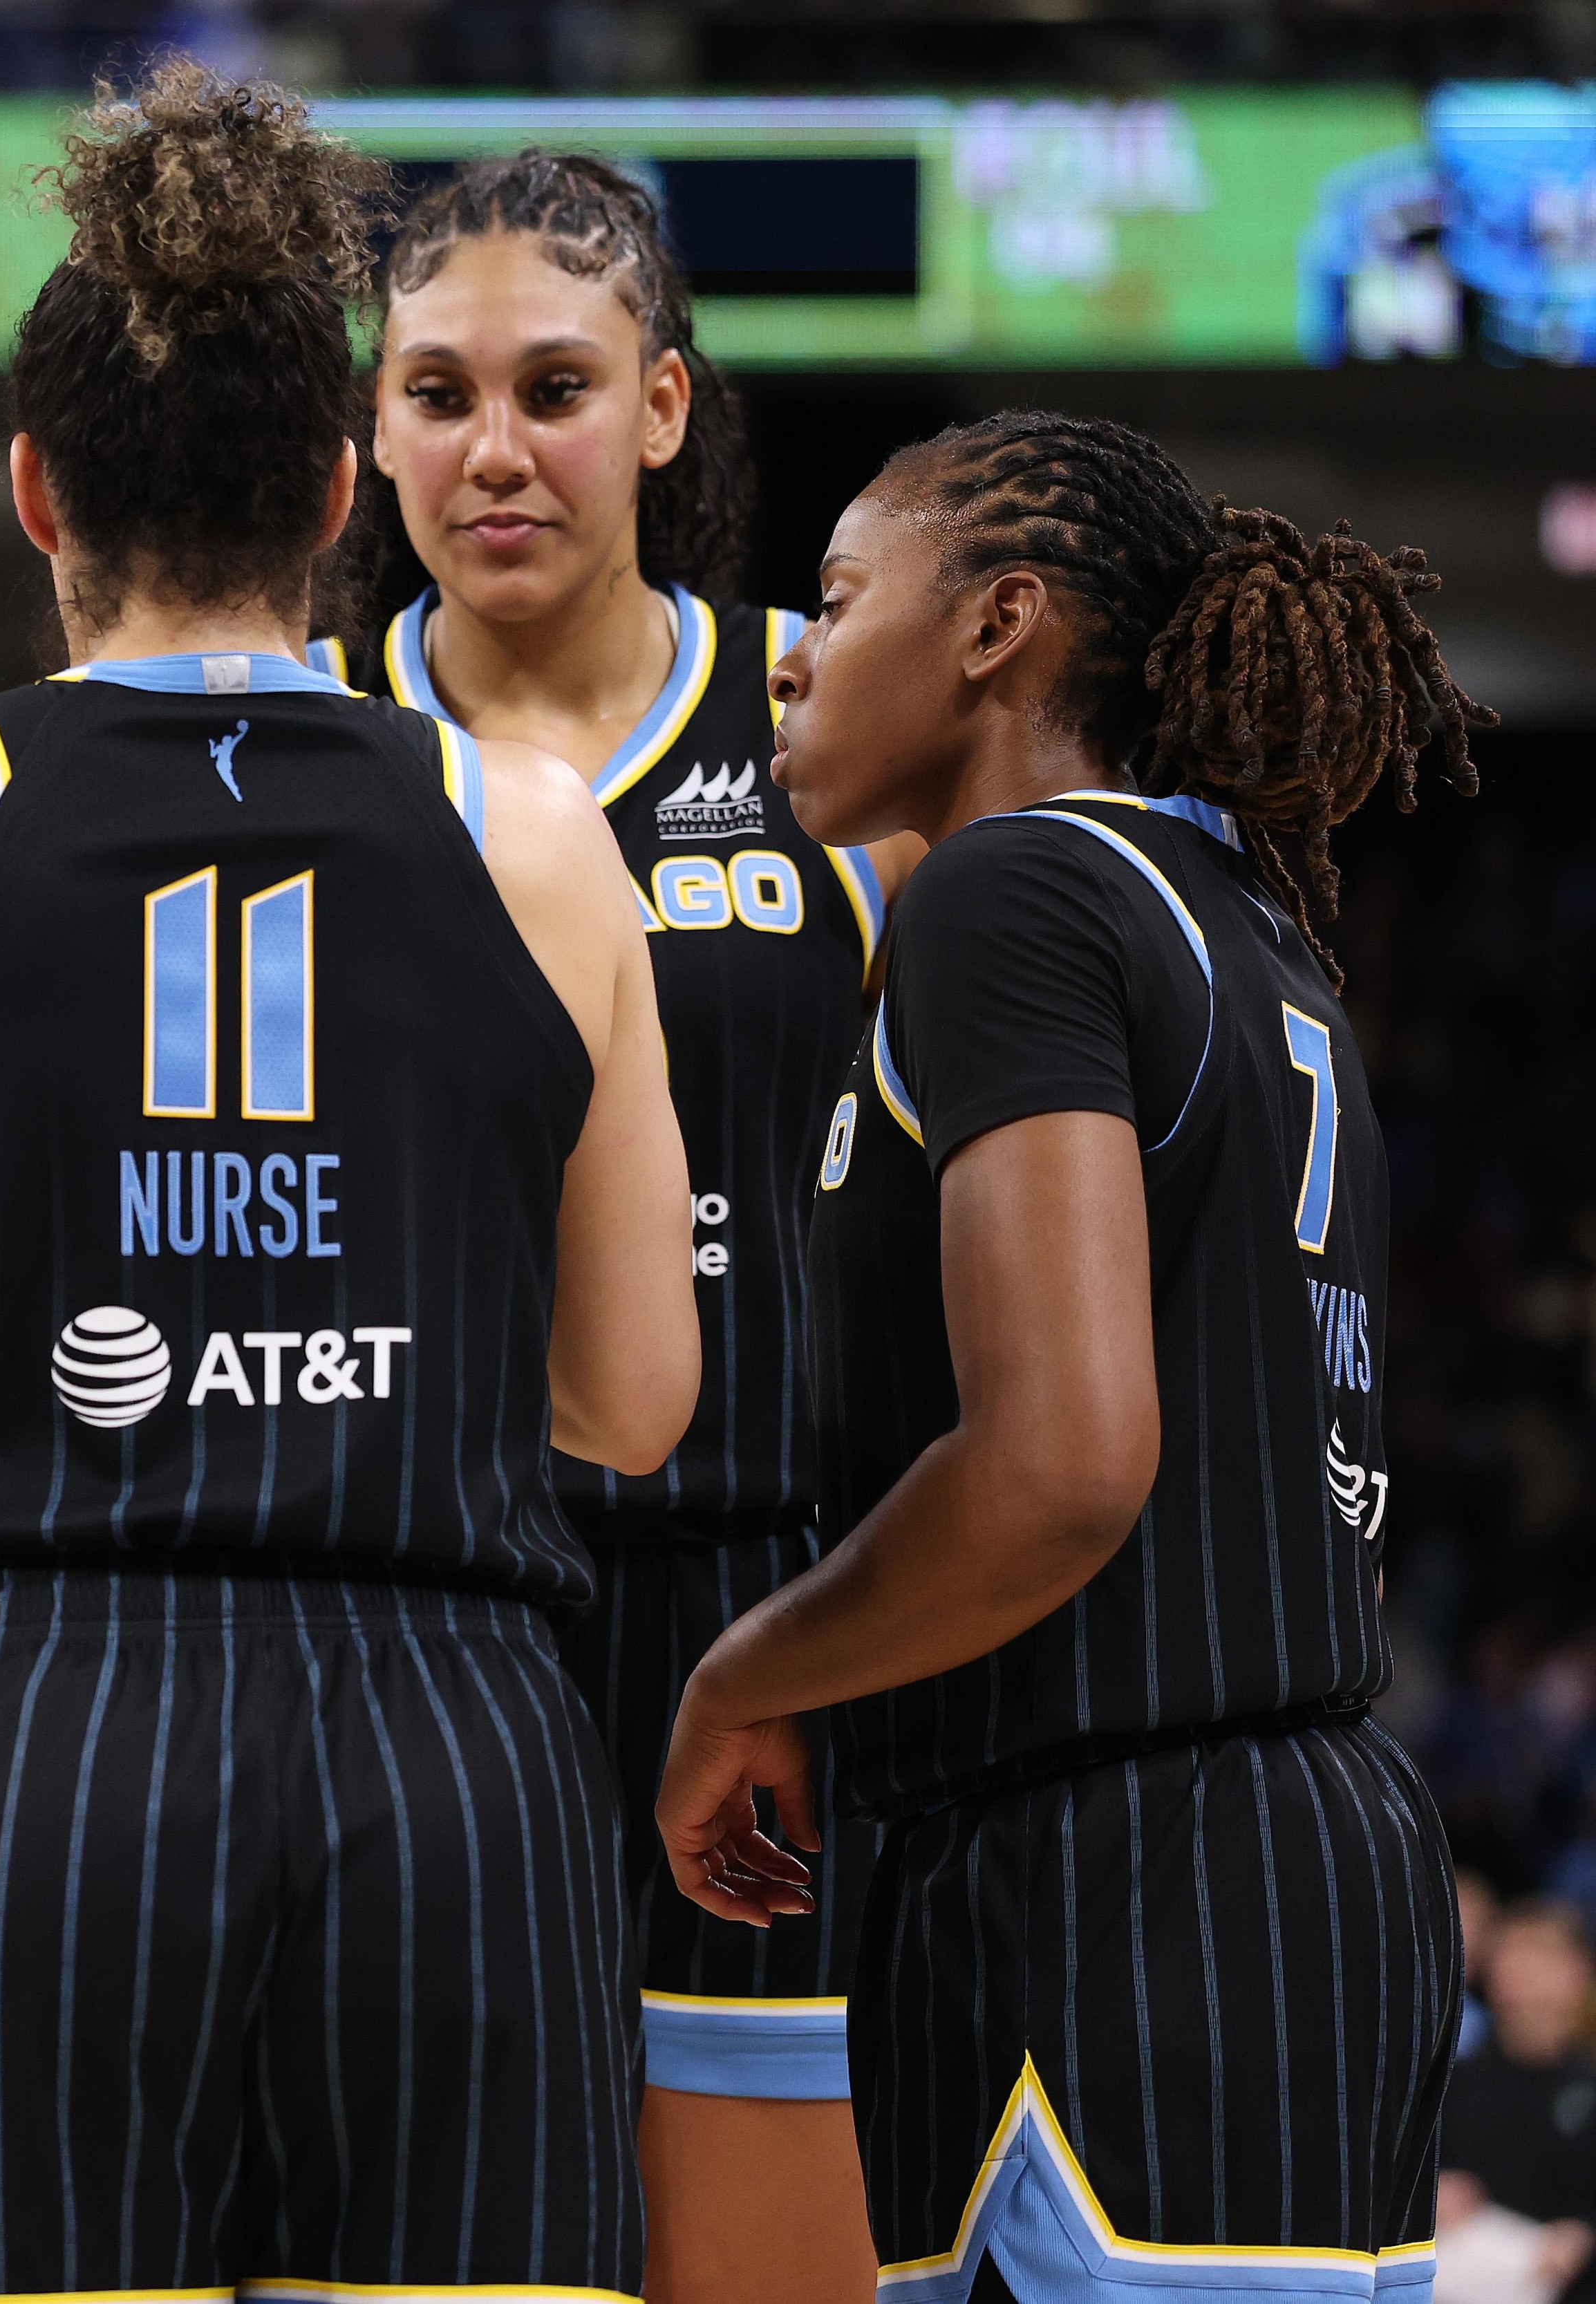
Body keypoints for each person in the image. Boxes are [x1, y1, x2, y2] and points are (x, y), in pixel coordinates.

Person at [0, 65, 697, 2302]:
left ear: (35, 486)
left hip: (28, 1734)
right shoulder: (539, 833)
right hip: (444, 1746)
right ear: (339, 488)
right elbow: (635, 1398)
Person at [659, 409, 1487, 2296]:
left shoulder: (1010, 891)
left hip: (1116, 1879)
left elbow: (1059, 1462)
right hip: (1306, 1858)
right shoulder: (1251, 927)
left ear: (998, 624)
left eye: (841, 596)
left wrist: (746, 1671)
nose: (791, 648)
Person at [330, 151, 914, 2298]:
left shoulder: (840, 721)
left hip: (786, 1620)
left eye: (554, 388)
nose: (494, 449)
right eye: (438, 392)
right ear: (370, 426)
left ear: (661, 406)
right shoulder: (289, 742)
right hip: (408, 1630)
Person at [1440, 1900, 1596, 2303]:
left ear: (1578, 1971)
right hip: (1458, 2276)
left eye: (1540, 1955)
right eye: (1510, 1955)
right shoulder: (1451, 2080)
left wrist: (1585, 2232)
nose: (1521, 1972)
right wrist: (1431, 2190)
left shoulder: (1587, 2085)